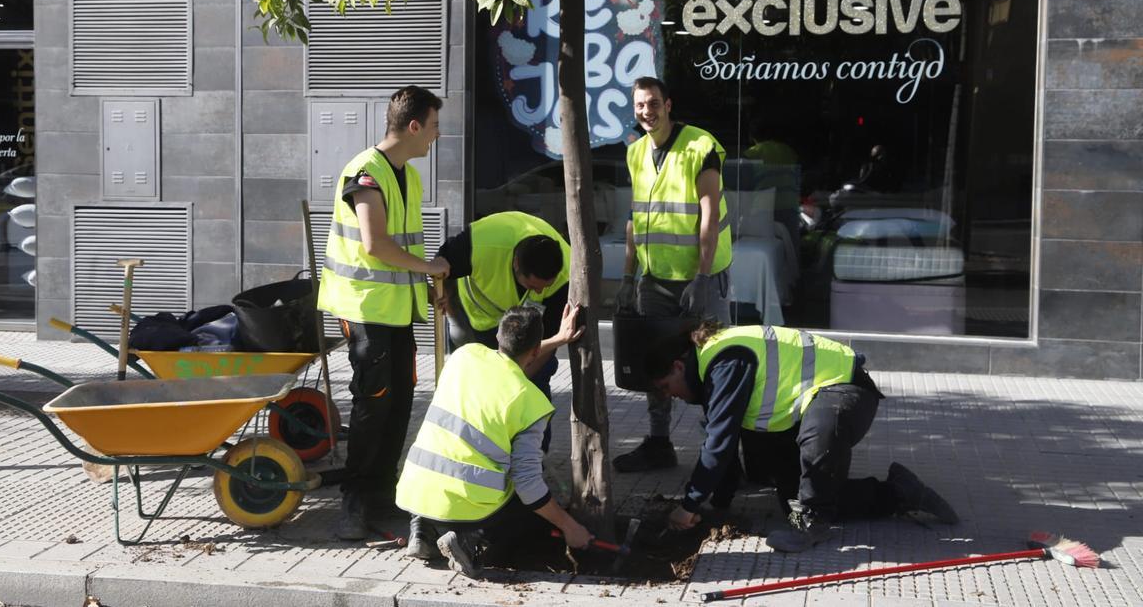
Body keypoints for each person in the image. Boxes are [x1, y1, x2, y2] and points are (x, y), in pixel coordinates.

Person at [647, 322, 958, 553]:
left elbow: (720, 441)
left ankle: (813, 525)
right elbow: (721, 437)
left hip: (845, 391)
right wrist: (717, 504)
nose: (669, 396)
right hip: (813, 403)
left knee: (817, 437)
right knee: (795, 500)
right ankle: (899, 492)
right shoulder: (709, 366)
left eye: (665, 386)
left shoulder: (725, 361)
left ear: (678, 366)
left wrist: (689, 505)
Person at [317, 85, 450, 540]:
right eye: (434, 126)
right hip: (364, 308)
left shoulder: (408, 176)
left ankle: (382, 493)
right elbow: (375, 244)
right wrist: (431, 266)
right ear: (414, 126)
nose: (437, 135)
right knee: (374, 404)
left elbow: (403, 247)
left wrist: (431, 285)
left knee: (398, 405)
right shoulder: (365, 172)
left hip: (397, 310)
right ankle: (355, 501)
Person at [396, 305, 593, 575]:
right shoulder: (531, 402)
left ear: (499, 337)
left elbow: (508, 364)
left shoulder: (463, 357)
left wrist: (559, 338)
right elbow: (529, 486)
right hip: (467, 504)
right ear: (536, 351)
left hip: (414, 489)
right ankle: (469, 541)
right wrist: (570, 526)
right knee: (533, 513)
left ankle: (423, 528)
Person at [613, 76, 733, 473]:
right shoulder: (635, 153)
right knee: (654, 362)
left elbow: (710, 217)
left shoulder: (701, 146)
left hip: (702, 276)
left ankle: (722, 455)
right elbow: (635, 220)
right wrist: (628, 278)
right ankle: (659, 443)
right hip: (655, 278)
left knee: (715, 360)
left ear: (668, 104)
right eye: (640, 106)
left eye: (653, 104)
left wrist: (700, 278)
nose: (646, 112)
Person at [435, 210, 570, 427]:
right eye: (532, 286)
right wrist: (450, 310)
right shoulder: (481, 244)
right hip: (477, 322)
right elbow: (442, 266)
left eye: (543, 288)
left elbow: (549, 339)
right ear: (517, 264)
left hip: (525, 331)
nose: (537, 293)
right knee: (474, 385)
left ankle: (535, 454)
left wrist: (517, 380)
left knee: (535, 385)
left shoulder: (564, 277)